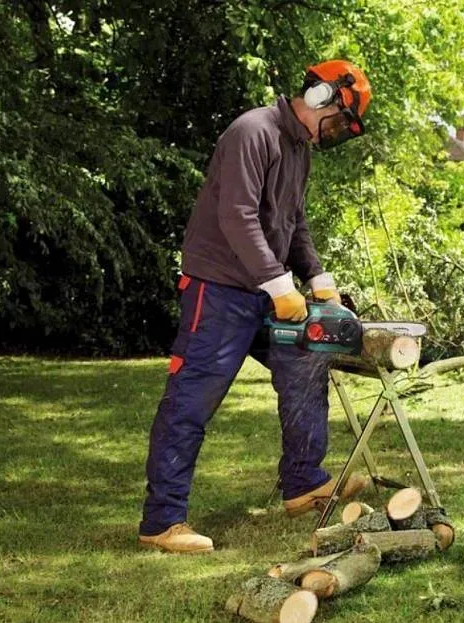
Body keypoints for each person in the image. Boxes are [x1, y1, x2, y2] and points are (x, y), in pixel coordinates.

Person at [138, 60, 372, 554]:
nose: (335, 134)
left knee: (306, 358)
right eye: (340, 121)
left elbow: (294, 222)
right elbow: (236, 215)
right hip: (219, 290)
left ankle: (304, 482)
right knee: (192, 398)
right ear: (321, 98)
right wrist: (277, 284)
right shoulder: (253, 132)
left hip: (265, 291)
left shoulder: (298, 150)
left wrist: (315, 275)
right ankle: (162, 521)